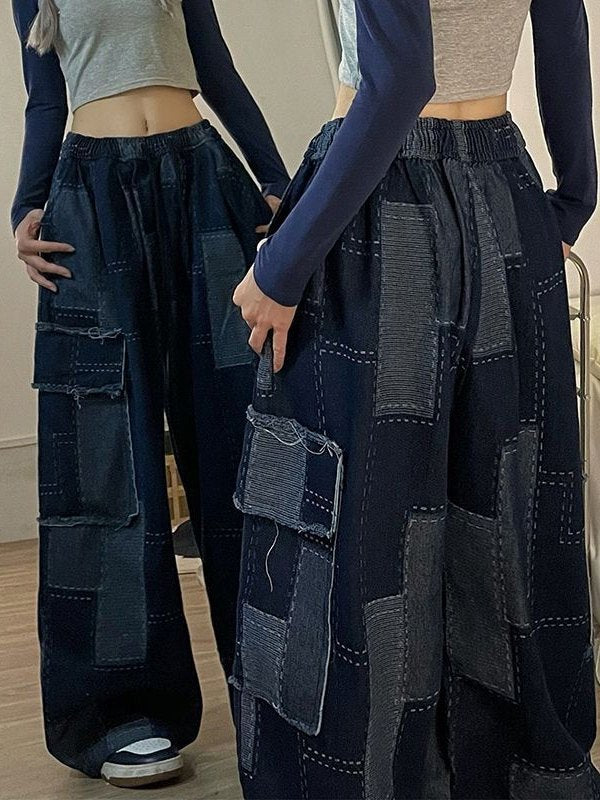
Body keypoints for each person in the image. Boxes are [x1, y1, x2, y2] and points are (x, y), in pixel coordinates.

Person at [232, 0, 598, 796]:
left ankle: (367, 778)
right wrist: (572, 196)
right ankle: (512, 771)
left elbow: (399, 79)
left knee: (357, 531)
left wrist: (281, 267)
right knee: (504, 510)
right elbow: (562, 29)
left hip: (377, 204)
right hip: (503, 190)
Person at [11, 0, 289, 788]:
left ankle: (279, 685)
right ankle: (123, 712)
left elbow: (217, 70)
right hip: (91, 199)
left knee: (246, 435)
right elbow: (45, 97)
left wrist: (277, 182)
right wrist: (25, 206)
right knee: (105, 458)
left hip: (201, 182)